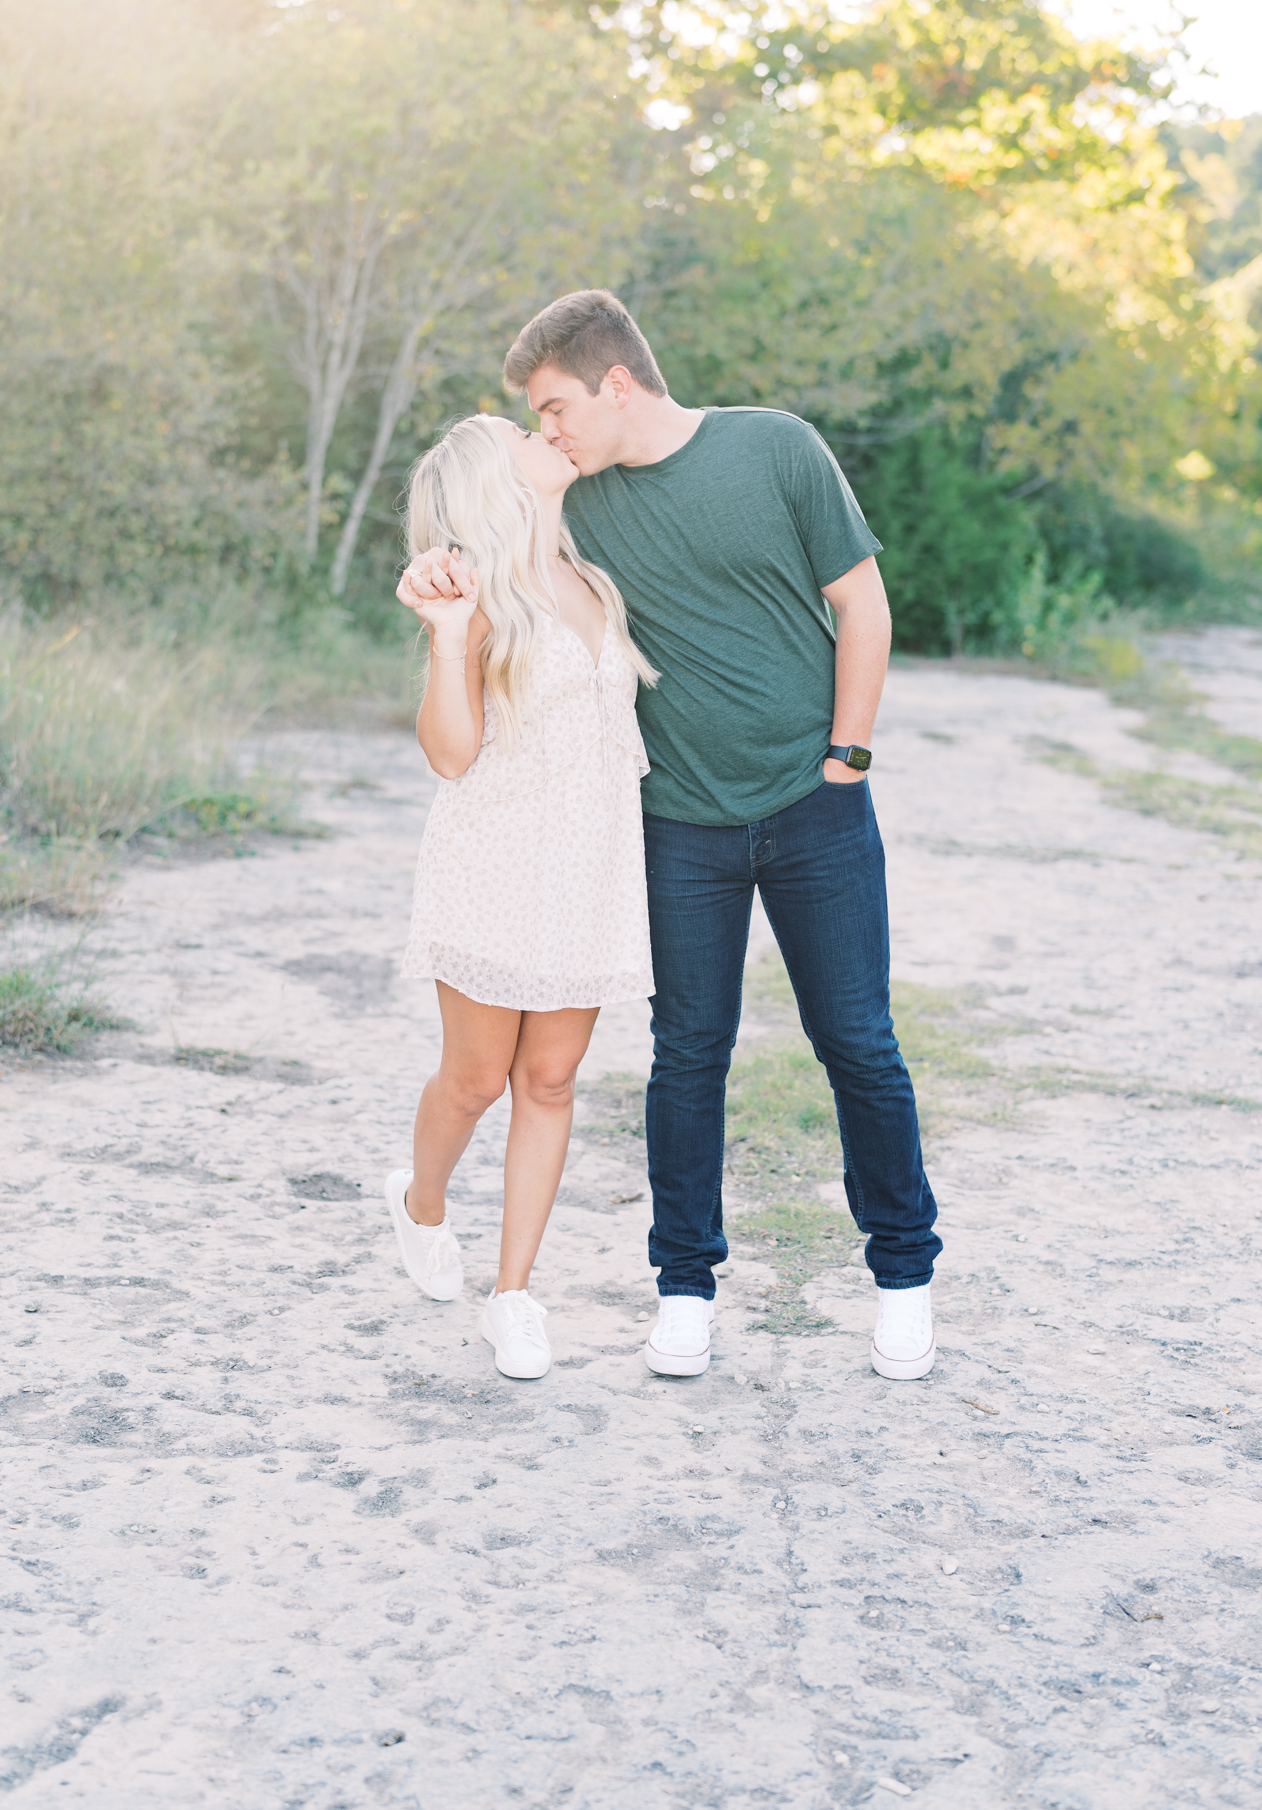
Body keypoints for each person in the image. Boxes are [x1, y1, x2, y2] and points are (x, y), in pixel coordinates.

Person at [402, 292, 941, 1382]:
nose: (546, 433)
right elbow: (483, 539)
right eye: (534, 424)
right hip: (675, 829)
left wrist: (846, 760)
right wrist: (437, 590)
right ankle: (684, 1290)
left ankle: (903, 1279)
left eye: (553, 408)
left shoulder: (775, 450)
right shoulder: (575, 508)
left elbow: (864, 608)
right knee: (686, 1058)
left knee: (859, 1045)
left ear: (614, 383)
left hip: (813, 806)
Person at [387, 412, 656, 1381]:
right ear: (494, 483)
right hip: (493, 866)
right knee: (475, 1080)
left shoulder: (594, 585)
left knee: (548, 1080)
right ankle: (420, 1202)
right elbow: (450, 753)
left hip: (587, 870)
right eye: (522, 430)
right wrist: (448, 637)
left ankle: (513, 1296)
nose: (546, 431)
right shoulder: (478, 595)